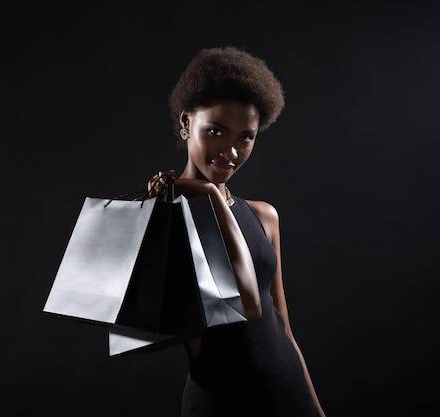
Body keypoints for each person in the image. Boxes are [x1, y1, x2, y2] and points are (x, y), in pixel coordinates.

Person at [146, 46, 326, 416]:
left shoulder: (263, 216)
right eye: (215, 131)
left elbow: (284, 329)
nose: (230, 151)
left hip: (289, 395)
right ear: (186, 122)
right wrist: (209, 194)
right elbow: (248, 305)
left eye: (246, 137)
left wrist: (315, 407)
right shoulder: (163, 218)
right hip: (221, 403)